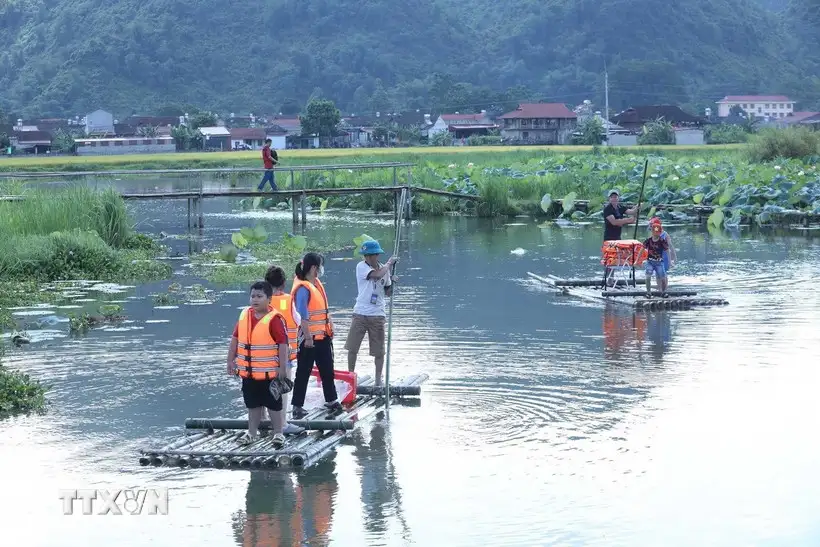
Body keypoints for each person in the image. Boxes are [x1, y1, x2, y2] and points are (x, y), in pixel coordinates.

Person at [226, 281, 289, 447]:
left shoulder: (274, 319)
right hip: (249, 373)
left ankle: (278, 433)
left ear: (269, 299)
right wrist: (230, 360)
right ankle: (251, 433)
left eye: (259, 296)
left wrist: (283, 367)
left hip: (269, 373)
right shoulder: (244, 316)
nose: (255, 299)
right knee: (252, 405)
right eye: (253, 296)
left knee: (273, 405)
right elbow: (235, 339)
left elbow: (283, 344)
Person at [290, 252, 341, 418]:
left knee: (327, 370)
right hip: (308, 339)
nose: (321, 269)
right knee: (303, 372)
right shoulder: (303, 288)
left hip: (323, 337)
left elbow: (324, 310)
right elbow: (302, 316)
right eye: (320, 266)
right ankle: (297, 405)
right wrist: (309, 337)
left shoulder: (316, 284)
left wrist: (330, 327)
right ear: (313, 268)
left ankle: (331, 399)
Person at [344, 239, 398, 386]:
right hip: (360, 312)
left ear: (376, 255)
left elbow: (388, 292)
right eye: (366, 255)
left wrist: (393, 281)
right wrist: (388, 265)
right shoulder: (361, 267)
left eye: (370, 255)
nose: (367, 257)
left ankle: (378, 379)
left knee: (379, 350)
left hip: (377, 314)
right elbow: (375, 275)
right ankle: (350, 375)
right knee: (352, 347)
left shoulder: (384, 269)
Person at [265, 265, 306, 435]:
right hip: (284, 355)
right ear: (283, 284)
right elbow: (297, 321)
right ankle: (281, 425)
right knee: (282, 391)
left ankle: (263, 421)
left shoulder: (259, 301)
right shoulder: (289, 300)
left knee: (264, 389)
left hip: (263, 355)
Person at [643, 222, 670, 297]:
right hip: (650, 262)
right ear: (652, 232)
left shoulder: (662, 241)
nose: (656, 234)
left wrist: (670, 261)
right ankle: (648, 293)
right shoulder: (648, 240)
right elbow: (642, 249)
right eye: (654, 232)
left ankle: (664, 292)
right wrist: (637, 260)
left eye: (658, 232)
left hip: (659, 262)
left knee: (663, 278)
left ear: (660, 232)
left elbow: (667, 251)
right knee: (648, 276)